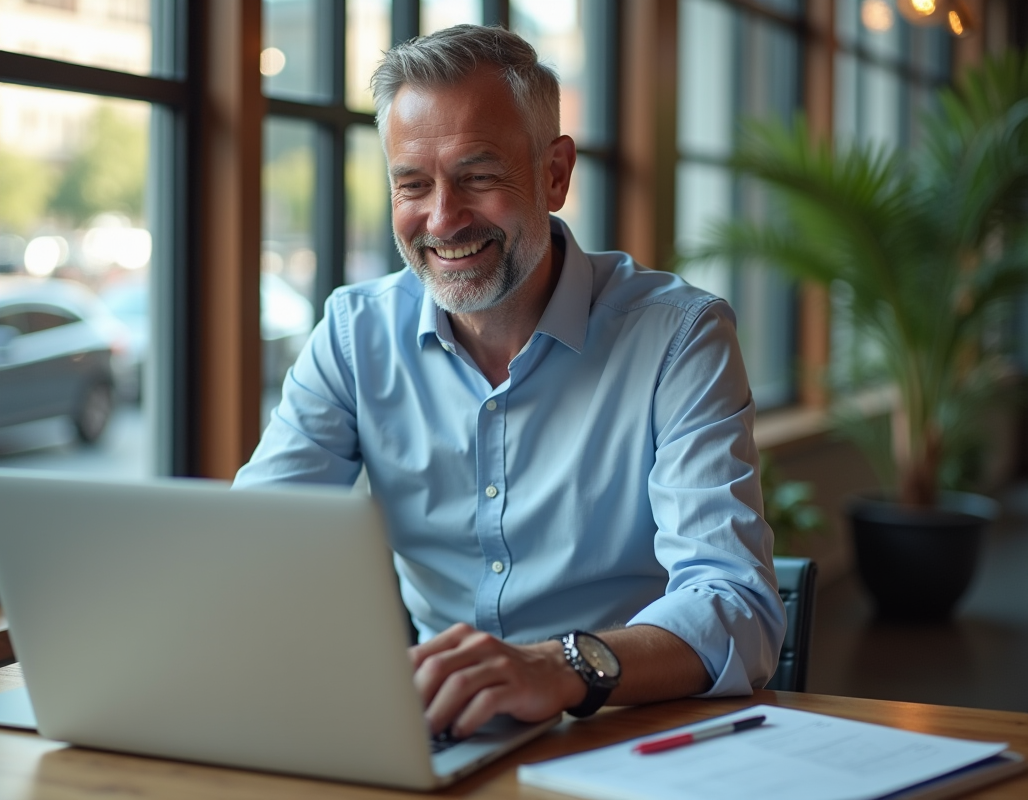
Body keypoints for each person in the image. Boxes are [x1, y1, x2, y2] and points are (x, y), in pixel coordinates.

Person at [233, 24, 784, 739]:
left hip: (623, 730)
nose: (442, 217)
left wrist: (557, 667)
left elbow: (737, 604)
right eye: (413, 185)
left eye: (479, 176)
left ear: (555, 174)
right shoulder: (353, 334)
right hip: (436, 729)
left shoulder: (679, 337)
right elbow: (252, 548)